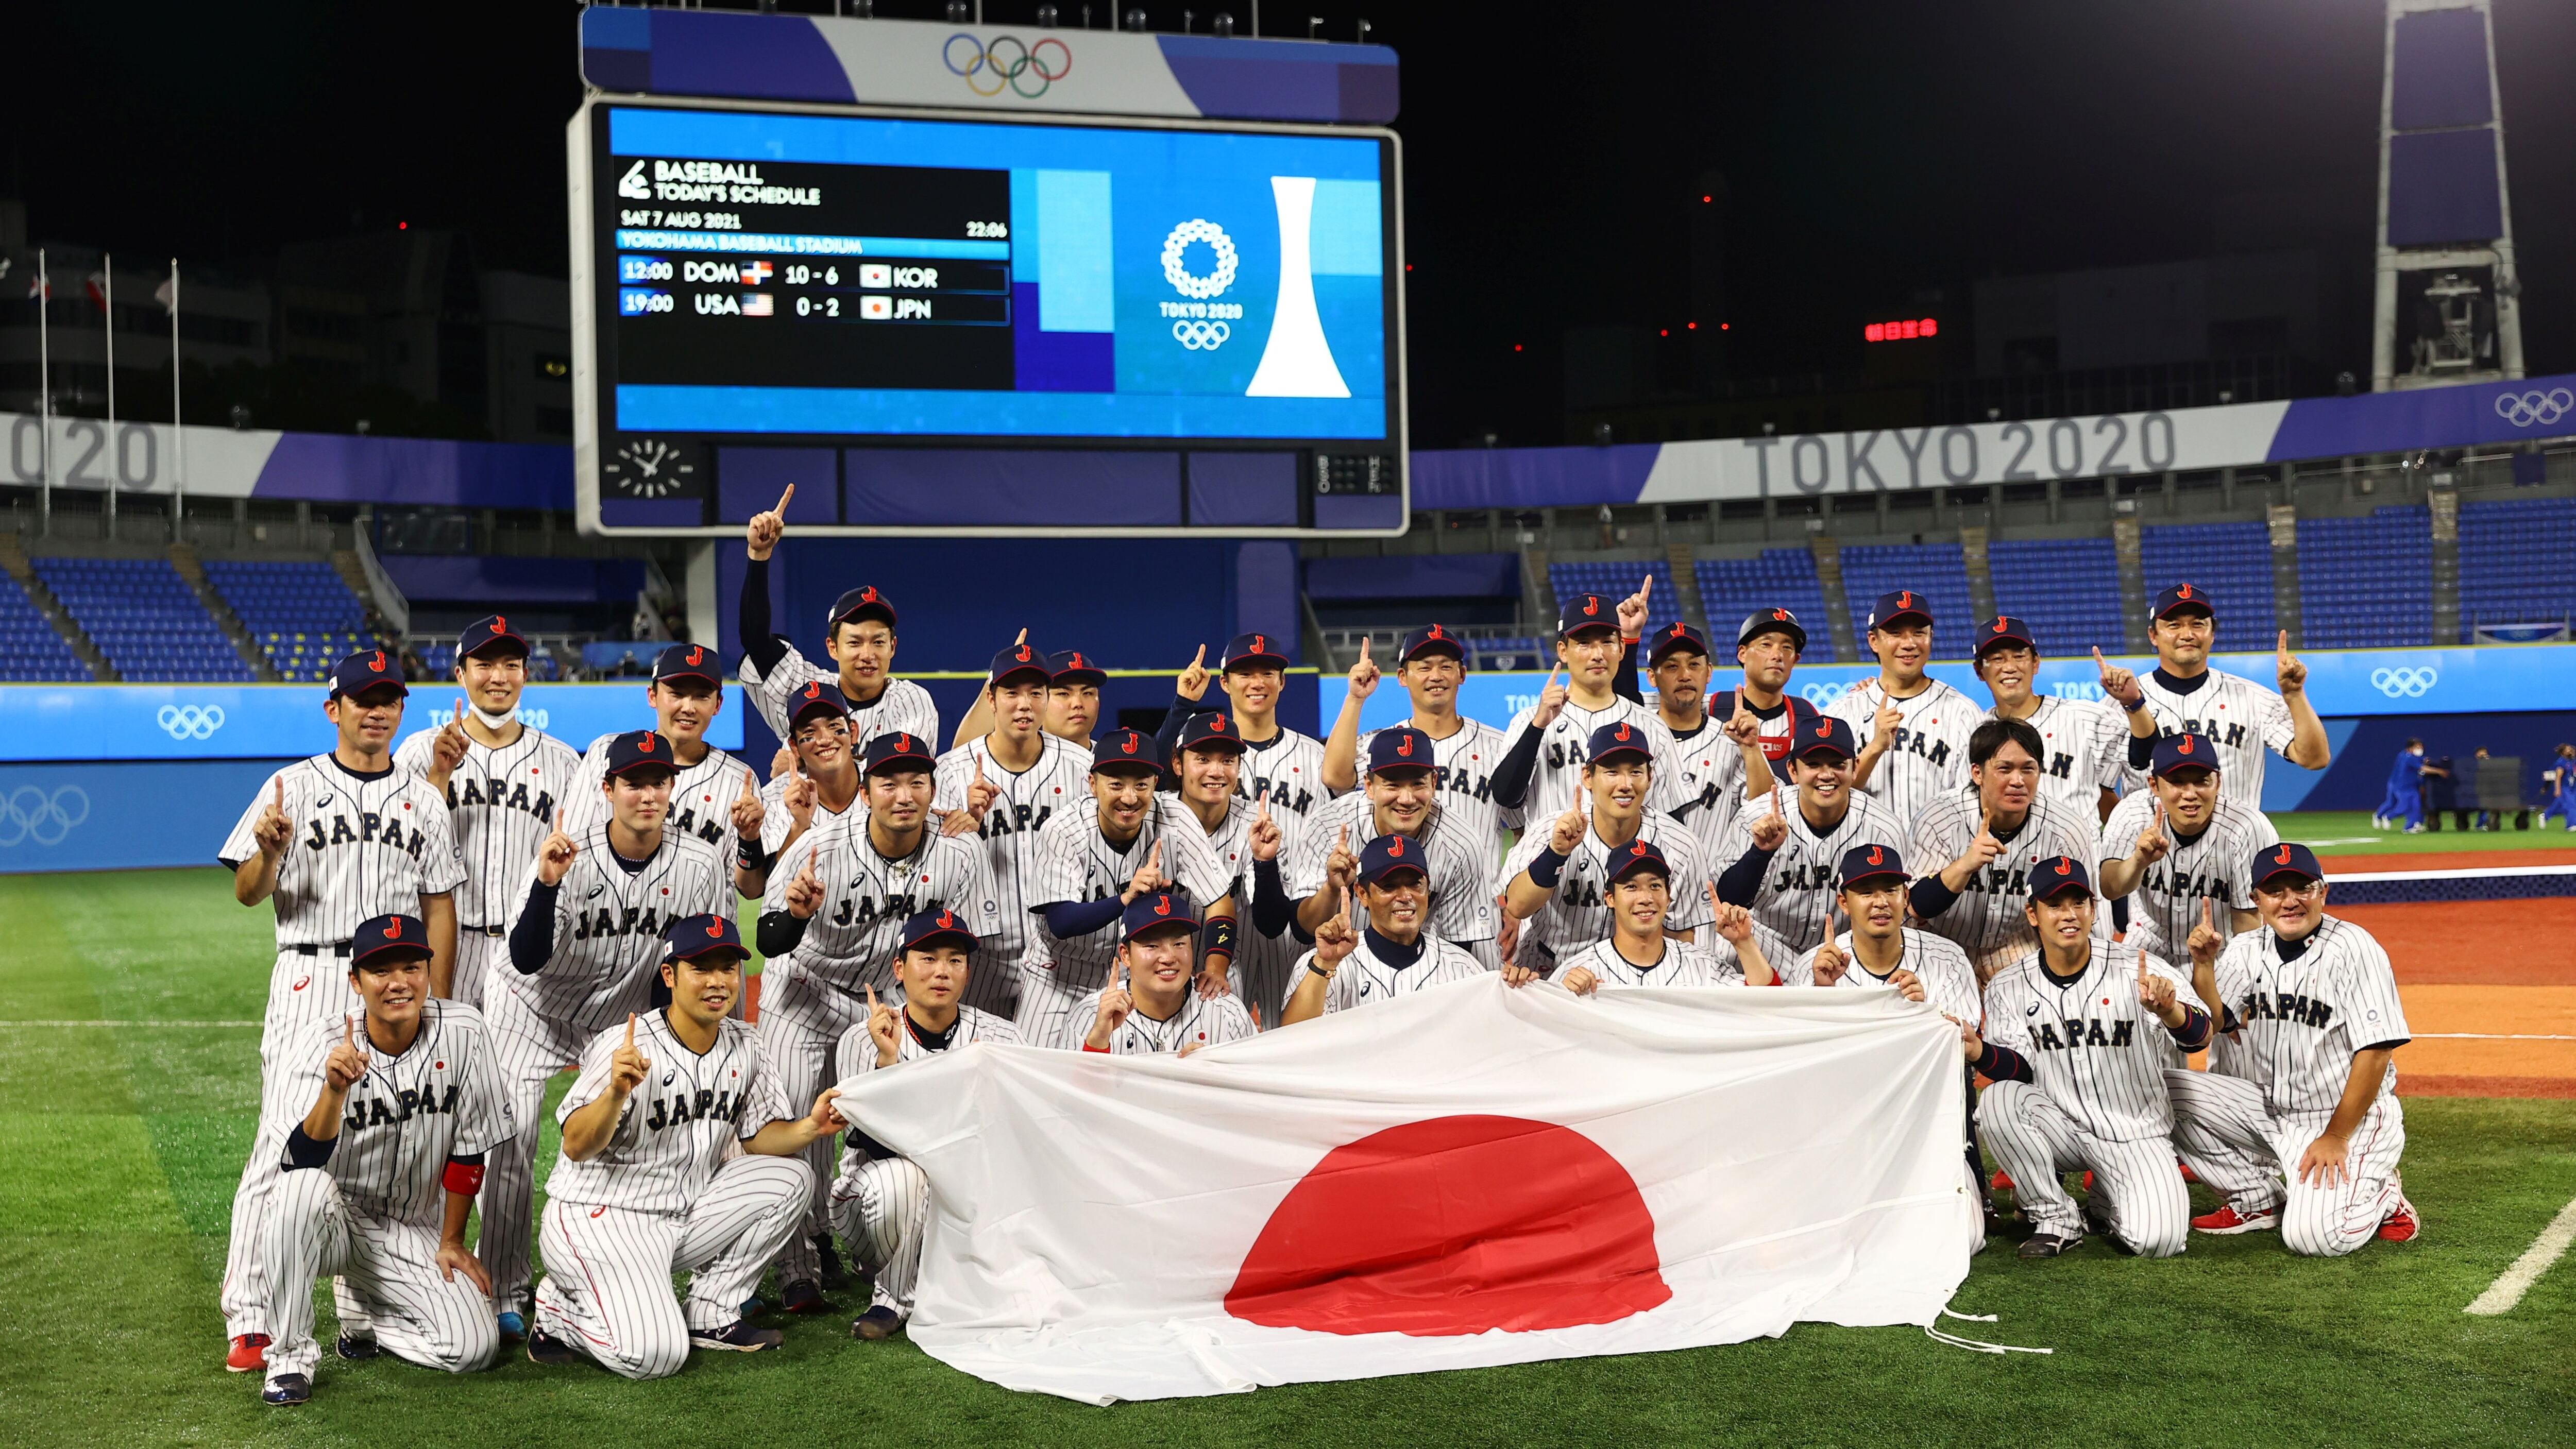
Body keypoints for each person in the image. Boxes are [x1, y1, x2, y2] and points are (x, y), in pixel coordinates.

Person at [216, 649, 463, 1375]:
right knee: (285, 1142)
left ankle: (364, 1298)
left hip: (395, 984)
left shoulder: (423, 800)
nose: (376, 709)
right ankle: (253, 1314)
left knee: (389, 1141)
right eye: (362, 698)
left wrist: (436, 994)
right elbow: (248, 893)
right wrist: (265, 854)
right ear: (335, 709)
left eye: (388, 698)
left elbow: (439, 902)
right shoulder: (289, 786)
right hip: (312, 974)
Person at [481, 730, 734, 1336]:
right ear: (608, 789)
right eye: (633, 783)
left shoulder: (697, 862)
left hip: (614, 1017)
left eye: (658, 782)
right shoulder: (569, 852)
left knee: (637, 1132)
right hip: (531, 1009)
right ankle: (504, 1288)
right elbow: (525, 956)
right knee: (511, 1142)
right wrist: (545, 883)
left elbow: (699, 956)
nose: (647, 794)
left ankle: (606, 1263)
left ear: (672, 788)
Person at [524, 916, 845, 1378]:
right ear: (671, 976)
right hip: (598, 1218)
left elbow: (757, 1139)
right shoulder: (626, 1044)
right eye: (701, 968)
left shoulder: (745, 1044)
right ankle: (559, 1311)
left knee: (791, 1177)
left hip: (680, 1215)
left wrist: (809, 1128)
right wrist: (615, 1092)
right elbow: (576, 1145)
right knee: (655, 1356)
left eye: (728, 968)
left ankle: (712, 1313)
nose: (718, 981)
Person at [754, 729, 989, 1311]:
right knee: (797, 1119)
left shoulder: (957, 851)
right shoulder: (820, 848)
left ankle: (874, 1235)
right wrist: (797, 914)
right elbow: (767, 939)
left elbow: (956, 942)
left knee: (901, 1119)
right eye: (889, 781)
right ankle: (797, 1264)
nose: (903, 794)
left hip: (886, 1002)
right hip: (805, 991)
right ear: (865, 791)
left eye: (917, 781)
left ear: (935, 790)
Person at [254, 914, 513, 1406]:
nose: (399, 982)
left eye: (412, 966)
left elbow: (470, 1146)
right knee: (298, 1191)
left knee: (473, 1349)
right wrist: (333, 1090)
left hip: (412, 1226)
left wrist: (453, 1240)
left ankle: (367, 1312)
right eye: (381, 971)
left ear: (428, 970)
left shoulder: (465, 1031)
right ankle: (289, 1356)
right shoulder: (319, 1042)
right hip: (332, 1219)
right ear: (356, 980)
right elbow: (298, 1159)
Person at [2167, 844, 2419, 1254]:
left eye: (2301, 887)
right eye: (2275, 890)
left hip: (2348, 1121)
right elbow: (2216, 1022)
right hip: (2274, 1112)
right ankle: (2256, 1198)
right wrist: (2204, 967)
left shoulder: (2355, 948)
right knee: (2167, 1089)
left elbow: (2376, 1051)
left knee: (2312, 1239)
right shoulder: (2248, 949)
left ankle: (2384, 1194)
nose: (2289, 901)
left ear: (2323, 891)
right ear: (2257, 899)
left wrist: (2337, 1135)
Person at [1973, 858, 2211, 1259]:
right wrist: (1979, 1051)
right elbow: (2018, 1068)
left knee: (2159, 1242)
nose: (2069, 914)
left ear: (2093, 909)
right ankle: (2054, 1217)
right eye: (2055, 904)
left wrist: (2171, 1011)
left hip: (2135, 1133)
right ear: (2034, 914)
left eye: (2078, 902)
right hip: (2060, 1127)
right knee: (1998, 1101)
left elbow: (2200, 1035)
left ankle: (2104, 1202)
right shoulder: (2008, 985)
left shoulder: (2139, 967)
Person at [830, 909, 1021, 1342]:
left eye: (955, 960)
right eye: (928, 958)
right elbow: (879, 1145)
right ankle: (892, 1298)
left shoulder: (1002, 1038)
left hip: (967, 1201)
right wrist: (888, 1063)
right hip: (873, 1202)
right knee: (905, 1178)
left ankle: (957, 1277)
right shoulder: (862, 1039)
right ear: (899, 968)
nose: (942, 971)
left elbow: (1020, 1137)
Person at [397, 616, 583, 1013]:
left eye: (510, 665)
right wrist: (438, 778)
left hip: (526, 948)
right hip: (446, 942)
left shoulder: (563, 761)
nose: (498, 677)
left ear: (524, 675)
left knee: (518, 1074)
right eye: (484, 665)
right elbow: (400, 856)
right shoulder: (418, 753)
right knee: (442, 1069)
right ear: (461, 673)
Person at [1020, 729, 1236, 1049]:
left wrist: (1216, 967)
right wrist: (1125, 899)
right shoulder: (1064, 830)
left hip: (1139, 981)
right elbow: (1061, 922)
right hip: (1060, 976)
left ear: (1155, 786)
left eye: (1141, 784)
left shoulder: (1176, 820)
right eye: (1116, 784)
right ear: (1093, 784)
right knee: (1038, 1077)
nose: (1130, 797)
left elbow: (1220, 902)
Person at [1318, 625, 1517, 952]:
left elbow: (1521, 828)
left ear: (1462, 674)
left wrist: (1512, 896)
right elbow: (1335, 777)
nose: (1435, 675)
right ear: (1402, 677)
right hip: (1393, 903)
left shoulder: (1500, 747)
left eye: (1446, 666)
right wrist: (1356, 698)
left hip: (1476, 911)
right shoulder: (1382, 745)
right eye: (1424, 667)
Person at [931, 643, 1096, 1018]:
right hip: (981, 960)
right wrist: (965, 832)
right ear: (991, 698)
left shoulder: (1082, 766)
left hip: (1060, 962)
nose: (1024, 704)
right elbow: (926, 868)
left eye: (1035, 693)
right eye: (1012, 693)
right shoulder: (951, 772)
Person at [1165, 634, 1332, 997]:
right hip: (1182, 940)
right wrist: (1182, 704)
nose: (1257, 682)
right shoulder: (1162, 808)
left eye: (1267, 672)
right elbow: (1151, 769)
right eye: (1244, 673)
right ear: (1225, 682)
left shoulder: (1313, 756)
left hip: (1287, 915)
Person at [735, 484, 940, 754]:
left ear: (893, 647)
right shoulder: (806, 686)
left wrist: (808, 761)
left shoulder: (912, 700)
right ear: (833, 647)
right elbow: (756, 639)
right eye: (854, 643)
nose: (867, 655)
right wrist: (759, 557)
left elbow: (897, 777)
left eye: (878, 643)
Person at [1499, 721, 1714, 968]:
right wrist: (1556, 854)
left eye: (1635, 772)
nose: (1625, 784)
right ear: (1588, 777)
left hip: (1637, 978)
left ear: (1650, 778)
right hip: (1549, 968)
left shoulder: (1681, 847)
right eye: (1612, 772)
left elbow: (1681, 940)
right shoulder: (1550, 830)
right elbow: (1516, 906)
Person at [1282, 726, 1500, 970]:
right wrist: (1332, 889)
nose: (1407, 799)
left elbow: (1460, 948)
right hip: (1331, 967)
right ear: (1369, 786)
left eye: (1418, 784)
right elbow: (1304, 931)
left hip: (1413, 968)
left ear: (1434, 782)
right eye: (1393, 785)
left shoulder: (1461, 845)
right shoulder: (1328, 826)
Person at [562, 644, 766, 898]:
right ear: (652, 696)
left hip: (699, 932)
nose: (689, 708)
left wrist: (749, 839)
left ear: (718, 704)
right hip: (610, 925)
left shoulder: (739, 781)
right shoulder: (606, 752)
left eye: (702, 696)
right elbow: (572, 850)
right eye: (677, 694)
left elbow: (751, 890)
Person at [1906, 718, 2103, 981]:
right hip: (1940, 939)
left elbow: (2086, 913)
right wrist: (1964, 865)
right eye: (2005, 769)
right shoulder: (1940, 817)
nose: (2018, 781)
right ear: (1977, 773)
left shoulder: (2065, 829)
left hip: (2013, 942)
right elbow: (1916, 907)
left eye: (2028, 769)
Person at [2122, 584, 2330, 814]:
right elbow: (2101, 786)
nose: (2187, 634)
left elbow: (2315, 759)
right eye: (2174, 625)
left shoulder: (2253, 698)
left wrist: (2294, 695)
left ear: (2212, 634)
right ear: (2153, 635)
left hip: (2236, 843)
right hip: (2149, 844)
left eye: (2198, 624)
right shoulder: (2122, 702)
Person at [1492, 584, 1686, 826]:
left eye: (1607, 642)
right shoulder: (1528, 722)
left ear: (1622, 648)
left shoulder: (1651, 726)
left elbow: (1671, 820)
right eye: (1584, 643)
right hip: (1554, 860)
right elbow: (1505, 797)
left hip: (1628, 861)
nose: (1598, 654)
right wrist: (1537, 727)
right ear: (1563, 651)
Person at [1713, 717, 1907, 958]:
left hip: (1846, 950)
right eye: (1813, 765)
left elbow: (1899, 910)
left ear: (1855, 768)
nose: (1826, 775)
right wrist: (1759, 854)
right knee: (1725, 947)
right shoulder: (1754, 817)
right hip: (1767, 943)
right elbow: (1728, 901)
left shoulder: (1883, 828)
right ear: (1793, 771)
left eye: (1838, 764)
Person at [2096, 734, 2277, 966]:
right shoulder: (2133, 813)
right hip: (2147, 948)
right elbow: (2111, 888)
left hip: (2220, 955)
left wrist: (2239, 985)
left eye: (2202, 781)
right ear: (2154, 785)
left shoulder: (2248, 828)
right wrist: (2138, 862)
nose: (2190, 794)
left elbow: (2247, 924)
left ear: (2218, 782)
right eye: (2177, 782)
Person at [1520, 839, 1790, 991]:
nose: (1646, 898)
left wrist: (1744, 944)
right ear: (1610, 898)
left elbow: (1766, 1009)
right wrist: (1565, 999)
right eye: (1631, 887)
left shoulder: (1704, 967)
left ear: (1669, 896)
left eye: (1655, 886)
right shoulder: (1579, 971)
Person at [1281, 837, 1486, 1023]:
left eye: (1415, 884)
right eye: (1389, 886)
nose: (1406, 896)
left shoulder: (1462, 967)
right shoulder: (1323, 964)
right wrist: (1325, 964)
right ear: (1362, 894)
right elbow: (1291, 1041)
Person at [1827, 591, 1984, 828]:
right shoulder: (1842, 713)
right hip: (1861, 857)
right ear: (1874, 641)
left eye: (1919, 633)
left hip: (1940, 857)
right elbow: (1824, 801)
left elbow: (1972, 806)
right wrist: (1874, 748)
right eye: (1895, 634)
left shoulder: (1963, 712)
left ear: (1931, 637)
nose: (1909, 644)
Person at [1680, 608, 1823, 861]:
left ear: (1796, 659)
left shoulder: (1809, 717)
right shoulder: (1708, 708)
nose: (1777, 655)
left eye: (1787, 648)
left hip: (1785, 858)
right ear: (1742, 654)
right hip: (1709, 856)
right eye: (1766, 645)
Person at [1969, 617, 2128, 825]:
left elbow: (2144, 757)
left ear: (2036, 663)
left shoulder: (2084, 717)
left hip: (2076, 856)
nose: (2009, 667)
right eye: (1997, 659)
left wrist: (2133, 704)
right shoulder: (1973, 731)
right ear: (1980, 671)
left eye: (2019, 656)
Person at [1067, 890, 1260, 1052]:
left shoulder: (1227, 1014)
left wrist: (1209, 1079)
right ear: (1126, 955)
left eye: (1179, 943)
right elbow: (1064, 1095)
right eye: (1152, 946)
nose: (1168, 958)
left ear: (1192, 946)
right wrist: (1098, 1042)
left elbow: (1255, 1093)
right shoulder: (1089, 1016)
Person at [1804, 846, 1981, 1020]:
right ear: (1844, 903)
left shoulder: (1949, 960)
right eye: (1867, 892)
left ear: (1905, 896)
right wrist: (1823, 991)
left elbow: (1962, 1043)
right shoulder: (1813, 967)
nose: (1881, 902)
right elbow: (1801, 1045)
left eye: (1890, 891)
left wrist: (1924, 1013)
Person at [1163, 712, 1266, 1009]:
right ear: (1178, 764)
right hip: (1151, 971)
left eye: (1227, 760)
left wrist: (1265, 864)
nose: (1216, 771)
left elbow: (1270, 921)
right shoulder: (1152, 815)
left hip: (1225, 971)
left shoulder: (1256, 824)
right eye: (1203, 759)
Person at [756, 681, 862, 867]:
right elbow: (770, 882)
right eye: (810, 732)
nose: (825, 740)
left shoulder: (883, 780)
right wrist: (798, 827)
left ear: (853, 732)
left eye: (833, 726)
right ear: (794, 747)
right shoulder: (775, 797)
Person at [2373, 739, 2436, 834]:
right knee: (2392, 803)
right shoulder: (2406, 757)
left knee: (2413, 805)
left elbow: (2421, 760)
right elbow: (2421, 767)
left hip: (2404, 784)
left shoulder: (2409, 755)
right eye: (2418, 747)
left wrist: (2425, 760)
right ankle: (2379, 816)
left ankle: (2414, 824)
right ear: (2410, 748)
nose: (2420, 749)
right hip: (2396, 783)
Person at [1045, 649, 1106, 745]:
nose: (1078, 704)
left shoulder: (1115, 759)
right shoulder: (1018, 760)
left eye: (1088, 693)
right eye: (1063, 694)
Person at [2543, 743, 2576, 831]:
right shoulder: (2561, 763)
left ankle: (2546, 815)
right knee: (2571, 805)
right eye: (2568, 749)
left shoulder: (2571, 761)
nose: (2570, 750)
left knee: (2560, 805)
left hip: (2571, 787)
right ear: (2563, 752)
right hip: (2564, 787)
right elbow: (2558, 777)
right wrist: (2558, 789)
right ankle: (2571, 825)